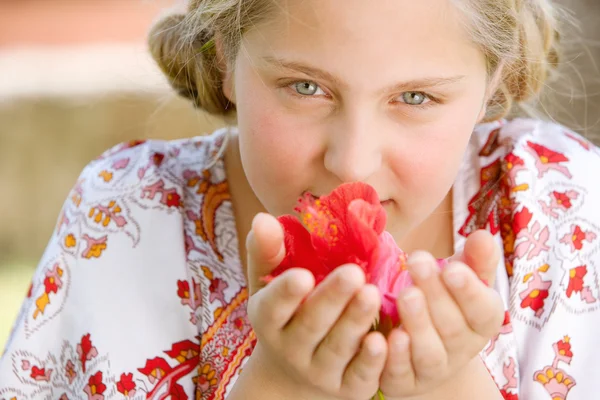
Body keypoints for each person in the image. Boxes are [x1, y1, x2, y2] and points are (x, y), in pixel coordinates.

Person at [1, 0, 599, 399]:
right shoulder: (131, 215)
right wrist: (281, 384)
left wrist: (448, 384)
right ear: (222, 57)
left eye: (415, 97)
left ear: (495, 79)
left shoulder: (559, 202)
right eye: (305, 87)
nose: (352, 161)